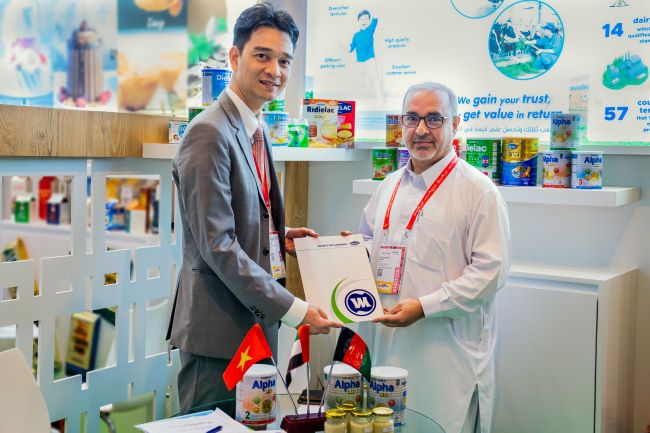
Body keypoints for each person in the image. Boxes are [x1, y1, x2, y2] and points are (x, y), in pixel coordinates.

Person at [168, 2, 341, 411]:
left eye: (284, 60)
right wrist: (295, 309)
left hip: (253, 327)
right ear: (234, 57)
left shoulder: (254, 127)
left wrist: (280, 237)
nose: (274, 70)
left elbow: (241, 214)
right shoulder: (210, 133)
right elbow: (218, 245)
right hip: (218, 335)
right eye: (262, 56)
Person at [355, 82, 511, 433]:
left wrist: (425, 306)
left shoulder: (477, 191)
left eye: (434, 119)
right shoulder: (389, 185)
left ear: (455, 124)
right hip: (386, 349)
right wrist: (341, 252)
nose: (421, 129)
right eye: (412, 118)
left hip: (446, 361)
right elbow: (369, 242)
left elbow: (490, 273)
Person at [349, 10, 381, 98]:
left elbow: (375, 20)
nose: (364, 21)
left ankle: (379, 94)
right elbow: (351, 47)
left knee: (374, 76)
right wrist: (349, 48)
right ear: (358, 21)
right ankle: (366, 84)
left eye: (366, 19)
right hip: (360, 61)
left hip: (370, 59)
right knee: (359, 77)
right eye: (362, 19)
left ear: (369, 21)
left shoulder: (370, 30)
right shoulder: (356, 35)